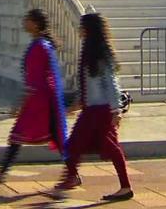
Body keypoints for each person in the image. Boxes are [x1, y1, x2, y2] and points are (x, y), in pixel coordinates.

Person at [48, 12, 133, 201]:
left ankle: (124, 187)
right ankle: (72, 176)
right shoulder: (89, 50)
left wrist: (116, 110)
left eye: (82, 27)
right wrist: (76, 104)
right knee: (79, 144)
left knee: (105, 147)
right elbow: (88, 84)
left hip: (101, 110)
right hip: (92, 109)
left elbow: (111, 83)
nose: (79, 30)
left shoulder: (100, 53)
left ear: (88, 30)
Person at [0, 9, 68, 184]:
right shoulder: (43, 44)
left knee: (20, 134)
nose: (24, 22)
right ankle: (2, 172)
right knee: (52, 136)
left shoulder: (39, 46)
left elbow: (35, 78)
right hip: (45, 97)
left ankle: (72, 173)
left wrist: (21, 102)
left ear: (35, 24)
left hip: (38, 98)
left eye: (27, 20)